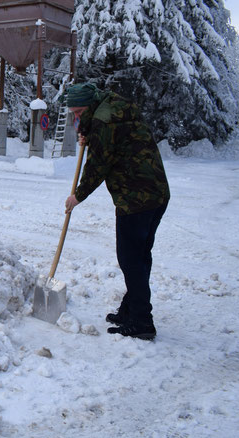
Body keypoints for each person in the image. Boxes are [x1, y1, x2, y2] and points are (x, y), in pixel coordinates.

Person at [63, 82, 170, 340]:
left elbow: (98, 165)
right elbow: (117, 142)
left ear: (90, 106)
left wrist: (78, 196)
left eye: (78, 113)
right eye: (73, 115)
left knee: (131, 258)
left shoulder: (103, 123)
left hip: (136, 198)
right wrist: (89, 133)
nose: (76, 118)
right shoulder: (112, 108)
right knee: (140, 256)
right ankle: (131, 310)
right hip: (156, 193)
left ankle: (143, 321)